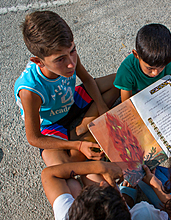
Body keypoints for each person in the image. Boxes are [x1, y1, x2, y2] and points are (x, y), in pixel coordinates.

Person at [14, 11, 119, 167]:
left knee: (120, 81)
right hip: (50, 125)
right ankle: (77, 137)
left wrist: (103, 107)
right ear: (38, 61)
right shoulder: (30, 90)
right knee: (65, 164)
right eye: (60, 59)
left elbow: (88, 80)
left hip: (70, 101)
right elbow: (34, 138)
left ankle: (81, 128)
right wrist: (76, 146)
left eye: (72, 51)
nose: (71, 63)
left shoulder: (69, 57)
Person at [41, 160, 171, 220]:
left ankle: (126, 195)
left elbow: (49, 175)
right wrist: (102, 166)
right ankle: (127, 195)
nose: (104, 182)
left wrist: (100, 167)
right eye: (113, 189)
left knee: (73, 183)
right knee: (89, 175)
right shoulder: (146, 217)